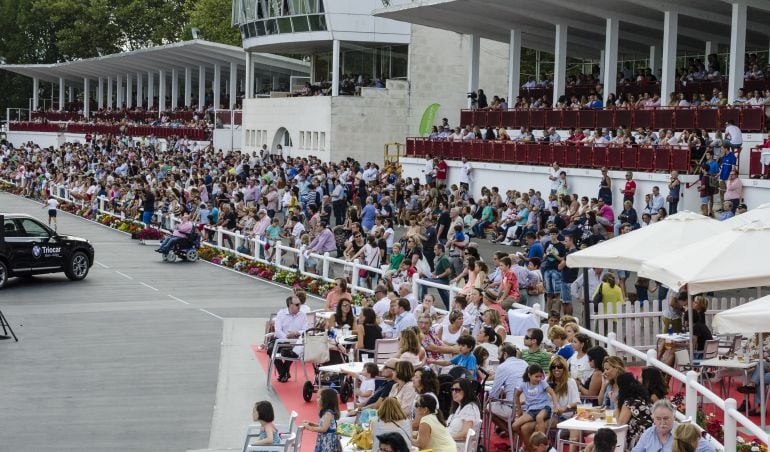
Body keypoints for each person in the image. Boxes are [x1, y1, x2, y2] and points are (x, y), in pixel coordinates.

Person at [632, 399, 715, 451]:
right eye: (658, 419)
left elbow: (709, 449)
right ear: (653, 418)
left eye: (666, 418)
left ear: (674, 417)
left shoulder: (683, 432)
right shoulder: (649, 433)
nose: (662, 422)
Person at [513, 364, 559, 447]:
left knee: (539, 417)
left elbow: (552, 393)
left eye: (540, 377)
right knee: (515, 425)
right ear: (529, 375)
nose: (539, 379)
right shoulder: (524, 385)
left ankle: (541, 442)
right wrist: (519, 409)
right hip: (531, 410)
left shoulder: (542, 383)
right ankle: (528, 445)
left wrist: (555, 406)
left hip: (545, 407)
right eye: (536, 376)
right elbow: (516, 395)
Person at [488, 343, 528, 430]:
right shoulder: (524, 363)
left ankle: (510, 432)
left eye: (499, 354)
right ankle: (511, 432)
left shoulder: (502, 367)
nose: (498, 357)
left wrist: (491, 399)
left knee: (488, 407)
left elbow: (493, 394)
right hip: (527, 406)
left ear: (505, 354)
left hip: (513, 408)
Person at [271, 295, 309, 382]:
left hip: (296, 341)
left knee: (294, 351)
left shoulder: (302, 315)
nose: (299, 306)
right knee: (271, 350)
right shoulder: (281, 313)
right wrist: (286, 338)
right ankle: (284, 372)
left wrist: (297, 333)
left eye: (300, 304)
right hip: (281, 339)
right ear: (290, 305)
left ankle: (283, 373)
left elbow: (306, 330)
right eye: (297, 305)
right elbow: (277, 330)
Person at [615, 372, 653, 446]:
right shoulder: (642, 398)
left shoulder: (629, 403)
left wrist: (616, 404)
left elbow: (620, 425)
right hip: (650, 436)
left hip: (638, 440)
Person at [303, 387, 341, 452]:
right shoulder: (326, 413)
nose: (316, 399)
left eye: (318, 397)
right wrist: (312, 424)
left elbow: (324, 429)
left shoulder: (328, 414)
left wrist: (310, 428)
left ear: (325, 400)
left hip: (327, 442)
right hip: (325, 440)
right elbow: (325, 426)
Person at [446, 378, 482, 444]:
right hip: (451, 442)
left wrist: (445, 439)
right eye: (452, 389)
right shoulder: (460, 406)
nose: (454, 392)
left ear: (466, 391)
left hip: (456, 445)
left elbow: (464, 433)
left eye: (457, 390)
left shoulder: (470, 409)